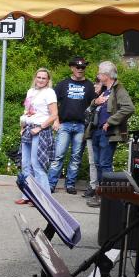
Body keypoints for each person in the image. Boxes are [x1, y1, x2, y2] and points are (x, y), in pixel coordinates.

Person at [84, 61, 133, 208]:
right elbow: (93, 106)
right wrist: (95, 101)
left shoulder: (119, 89)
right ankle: (101, 196)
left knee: (105, 164)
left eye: (99, 73)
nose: (98, 75)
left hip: (108, 132)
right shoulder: (104, 90)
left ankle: (107, 198)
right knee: (99, 164)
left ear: (106, 75)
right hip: (97, 131)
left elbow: (129, 108)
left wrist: (110, 121)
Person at [48, 57, 96, 195]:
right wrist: (55, 120)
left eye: (82, 67)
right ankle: (50, 184)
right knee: (58, 156)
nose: (80, 69)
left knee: (76, 157)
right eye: (77, 67)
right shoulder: (63, 84)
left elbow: (94, 105)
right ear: (72, 68)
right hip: (64, 124)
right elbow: (52, 104)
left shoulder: (89, 85)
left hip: (81, 126)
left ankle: (70, 185)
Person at [16, 68, 59, 204]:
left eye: (43, 78)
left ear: (48, 80)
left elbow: (54, 115)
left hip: (41, 130)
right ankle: (27, 196)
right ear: (35, 78)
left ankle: (45, 199)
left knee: (37, 164)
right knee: (25, 164)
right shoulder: (31, 92)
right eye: (38, 77)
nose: (40, 80)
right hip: (28, 129)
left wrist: (40, 127)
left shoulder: (50, 93)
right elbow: (28, 111)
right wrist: (22, 127)